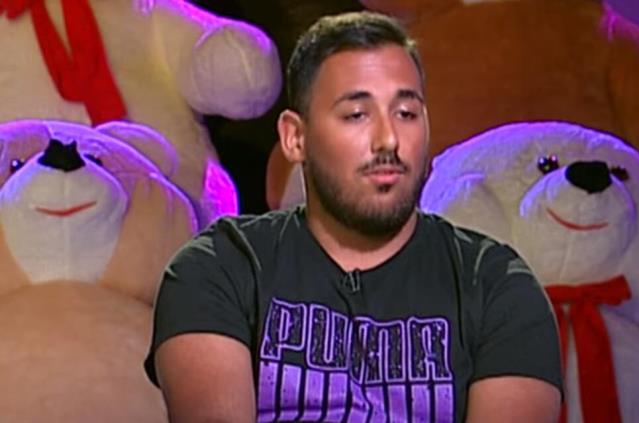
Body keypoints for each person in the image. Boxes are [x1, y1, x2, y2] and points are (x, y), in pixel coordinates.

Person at [144, 11, 563, 423]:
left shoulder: (495, 285)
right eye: (356, 115)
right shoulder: (220, 267)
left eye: (406, 113)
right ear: (295, 137)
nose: (389, 139)